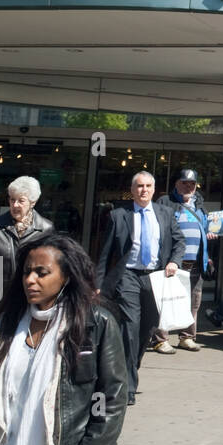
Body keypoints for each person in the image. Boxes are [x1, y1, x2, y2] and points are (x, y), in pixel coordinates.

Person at [0, 235, 126, 445]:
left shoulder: (96, 324)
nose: (30, 279)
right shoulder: (8, 323)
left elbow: (109, 398)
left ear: (66, 277)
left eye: (42, 273)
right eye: (26, 272)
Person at [0, 176, 55, 416]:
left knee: (24, 350)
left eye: (21, 200)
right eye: (12, 199)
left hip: (28, 302)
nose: (15, 205)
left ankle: (16, 400)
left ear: (33, 201)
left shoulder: (45, 228)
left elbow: (52, 270)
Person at [95, 171, 185, 406]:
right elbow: (105, 253)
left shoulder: (166, 214)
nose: (143, 190)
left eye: (148, 186)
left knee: (147, 329)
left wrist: (174, 261)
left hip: (156, 278)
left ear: (154, 189)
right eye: (139, 186)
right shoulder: (118, 215)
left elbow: (179, 241)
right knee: (130, 328)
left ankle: (131, 367)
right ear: (132, 190)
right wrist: (98, 284)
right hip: (128, 277)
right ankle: (128, 387)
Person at [151, 168, 215, 353]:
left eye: (192, 184)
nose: (188, 186)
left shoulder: (200, 206)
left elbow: (203, 229)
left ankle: (187, 337)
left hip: (196, 262)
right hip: (172, 261)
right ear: (176, 183)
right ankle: (160, 339)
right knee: (166, 300)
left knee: (193, 302)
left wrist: (208, 239)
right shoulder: (165, 202)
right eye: (184, 182)